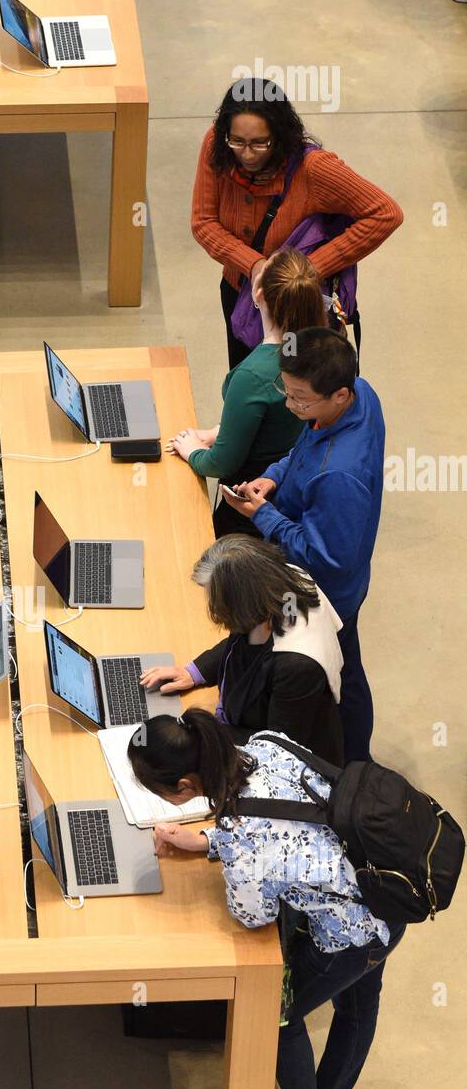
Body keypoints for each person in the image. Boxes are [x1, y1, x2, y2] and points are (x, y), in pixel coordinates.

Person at [127, 709, 405, 1089]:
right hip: (386, 894)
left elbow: (253, 915)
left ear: (185, 787)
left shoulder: (240, 832)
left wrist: (231, 847)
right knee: (356, 1007)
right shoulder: (266, 743)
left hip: (350, 935)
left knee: (274, 1009)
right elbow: (290, 821)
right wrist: (210, 842)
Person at [221, 328, 383, 763]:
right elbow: (305, 443)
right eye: (287, 393)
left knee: (341, 678)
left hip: (326, 589)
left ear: (339, 395)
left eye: (300, 399)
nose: (291, 407)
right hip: (340, 562)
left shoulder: (339, 477)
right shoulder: (361, 393)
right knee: (347, 669)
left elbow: (321, 557)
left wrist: (263, 515)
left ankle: (353, 768)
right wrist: (274, 475)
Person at [191, 78, 403, 367]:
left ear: (279, 136)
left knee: (300, 395)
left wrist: (308, 271)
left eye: (259, 143)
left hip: (299, 305)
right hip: (240, 293)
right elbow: (203, 222)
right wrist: (254, 265)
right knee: (247, 381)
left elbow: (385, 213)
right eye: (237, 141)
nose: (247, 154)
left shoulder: (313, 169)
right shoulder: (217, 146)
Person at [141, 536, 344, 764]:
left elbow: (277, 745)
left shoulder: (297, 666)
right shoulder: (271, 588)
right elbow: (240, 639)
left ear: (241, 602)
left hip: (288, 762)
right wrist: (194, 672)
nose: (212, 605)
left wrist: (203, 734)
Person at [168, 249, 325, 537]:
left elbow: (221, 463)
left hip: (248, 505)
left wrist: (192, 451)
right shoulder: (324, 351)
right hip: (295, 490)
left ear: (258, 294)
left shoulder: (252, 376)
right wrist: (221, 431)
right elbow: (272, 421)